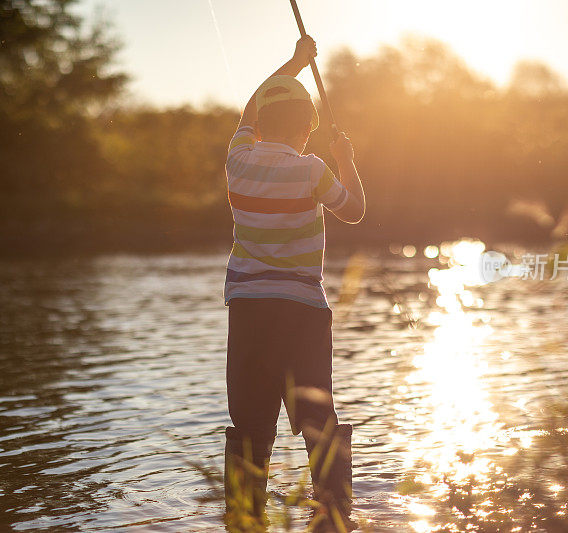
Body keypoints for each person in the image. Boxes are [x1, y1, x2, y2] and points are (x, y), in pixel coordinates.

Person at [222, 35, 365, 532]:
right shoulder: (313, 170)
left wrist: (295, 64)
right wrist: (346, 158)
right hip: (304, 313)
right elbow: (355, 210)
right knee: (316, 424)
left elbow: (250, 105)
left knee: (251, 426)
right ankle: (333, 517)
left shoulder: (238, 160)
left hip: (250, 312)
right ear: (308, 128)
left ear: (259, 125)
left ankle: (244, 516)